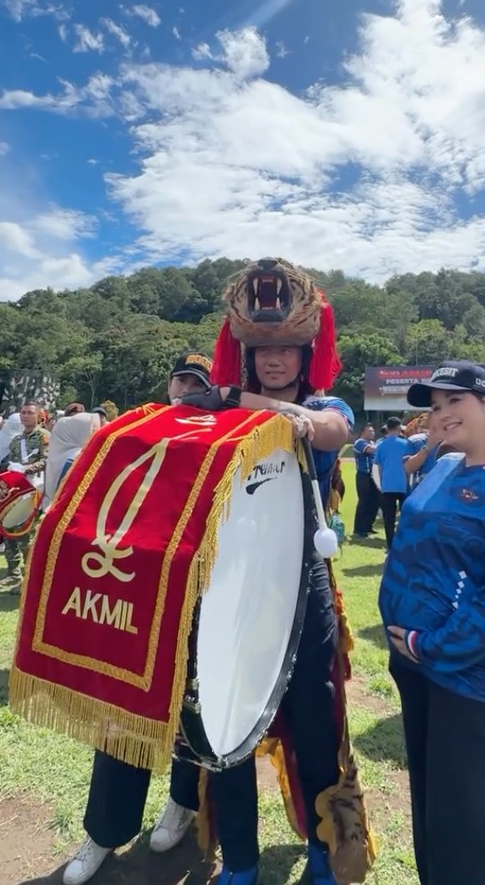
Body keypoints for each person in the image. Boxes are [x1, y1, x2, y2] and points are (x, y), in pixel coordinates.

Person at [149, 260, 373, 885]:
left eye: (286, 350)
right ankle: (240, 862)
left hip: (306, 591)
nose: (274, 360)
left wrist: (235, 399)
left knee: (314, 716)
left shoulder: (327, 406)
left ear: (306, 354)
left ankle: (328, 853)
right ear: (249, 353)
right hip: (229, 589)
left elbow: (324, 433)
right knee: (225, 719)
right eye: (263, 349)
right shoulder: (216, 415)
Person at [378, 361, 485, 885]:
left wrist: (429, 646)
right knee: (430, 811)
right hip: (414, 668)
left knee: (462, 832)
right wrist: (407, 644)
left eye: (455, 401)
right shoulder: (443, 468)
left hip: (470, 681)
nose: (442, 415)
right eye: (435, 406)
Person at [62, 353, 217, 885]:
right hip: (135, 588)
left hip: (197, 591)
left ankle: (182, 802)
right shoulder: (136, 424)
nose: (188, 390)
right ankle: (104, 831)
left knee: (190, 707)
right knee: (120, 713)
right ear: (169, 383)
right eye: (182, 380)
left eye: (199, 383)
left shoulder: (227, 434)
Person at [0, 401, 50, 593]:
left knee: (26, 535)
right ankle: (13, 573)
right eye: (22, 412)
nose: (25, 416)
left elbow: (47, 460)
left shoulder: (44, 436)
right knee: (9, 532)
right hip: (16, 491)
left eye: (29, 413)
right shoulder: (16, 440)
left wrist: (27, 468)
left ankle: (30, 577)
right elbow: (11, 463)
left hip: (35, 488)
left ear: (39, 415)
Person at [373, 416, 408, 548]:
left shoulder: (381, 445)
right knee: (405, 516)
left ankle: (390, 545)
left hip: (388, 485)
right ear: (399, 428)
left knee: (389, 518)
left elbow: (379, 466)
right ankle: (404, 542)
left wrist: (381, 482)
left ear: (387, 428)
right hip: (403, 484)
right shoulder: (406, 444)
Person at [352, 423, 379, 538]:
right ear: (363, 432)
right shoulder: (360, 442)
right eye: (370, 431)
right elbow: (371, 451)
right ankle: (359, 529)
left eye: (373, 431)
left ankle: (368, 526)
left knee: (375, 501)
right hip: (363, 475)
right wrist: (387, 446)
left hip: (374, 476)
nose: (372, 433)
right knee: (364, 501)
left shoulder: (373, 443)